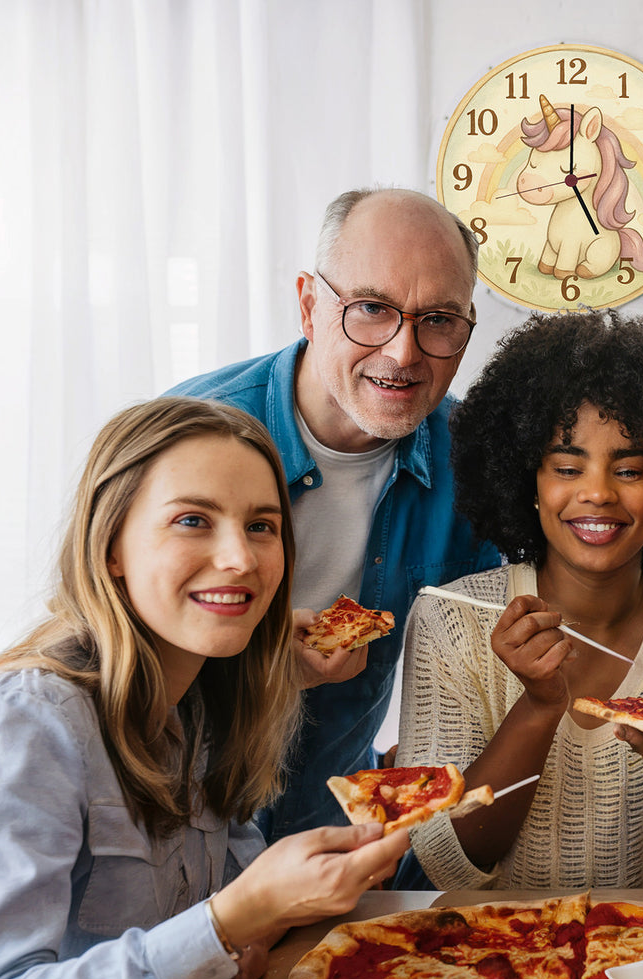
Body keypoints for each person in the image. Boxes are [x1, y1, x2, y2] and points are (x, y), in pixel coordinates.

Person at [0, 398, 409, 979]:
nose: (241, 558)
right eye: (192, 520)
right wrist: (234, 920)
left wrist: (234, 944)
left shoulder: (205, 694)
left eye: (261, 526)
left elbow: (223, 897)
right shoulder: (31, 720)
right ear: (111, 545)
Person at [170, 188, 499, 843]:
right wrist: (261, 663)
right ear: (308, 304)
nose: (404, 353)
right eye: (372, 309)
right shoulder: (182, 437)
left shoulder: (479, 466)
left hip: (335, 842)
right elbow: (100, 662)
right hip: (172, 838)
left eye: (438, 319)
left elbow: (480, 673)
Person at [395, 310, 643, 890]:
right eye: (567, 467)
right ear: (528, 483)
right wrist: (539, 705)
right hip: (489, 964)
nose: (597, 492)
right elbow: (448, 864)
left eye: (631, 469)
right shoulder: (451, 618)